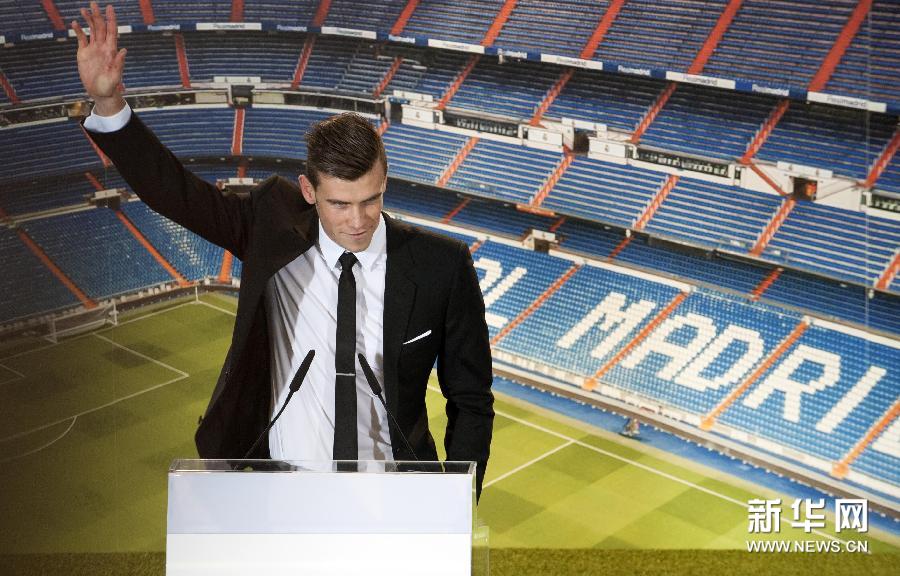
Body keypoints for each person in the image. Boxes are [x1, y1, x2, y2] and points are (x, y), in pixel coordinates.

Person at [73, 3, 494, 498]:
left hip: (395, 497)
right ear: (309, 191)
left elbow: (470, 399)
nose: (358, 221)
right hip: (280, 490)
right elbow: (176, 193)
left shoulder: (442, 266)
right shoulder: (270, 225)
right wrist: (109, 108)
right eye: (340, 204)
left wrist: (458, 500)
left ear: (384, 186)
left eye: (371, 200)